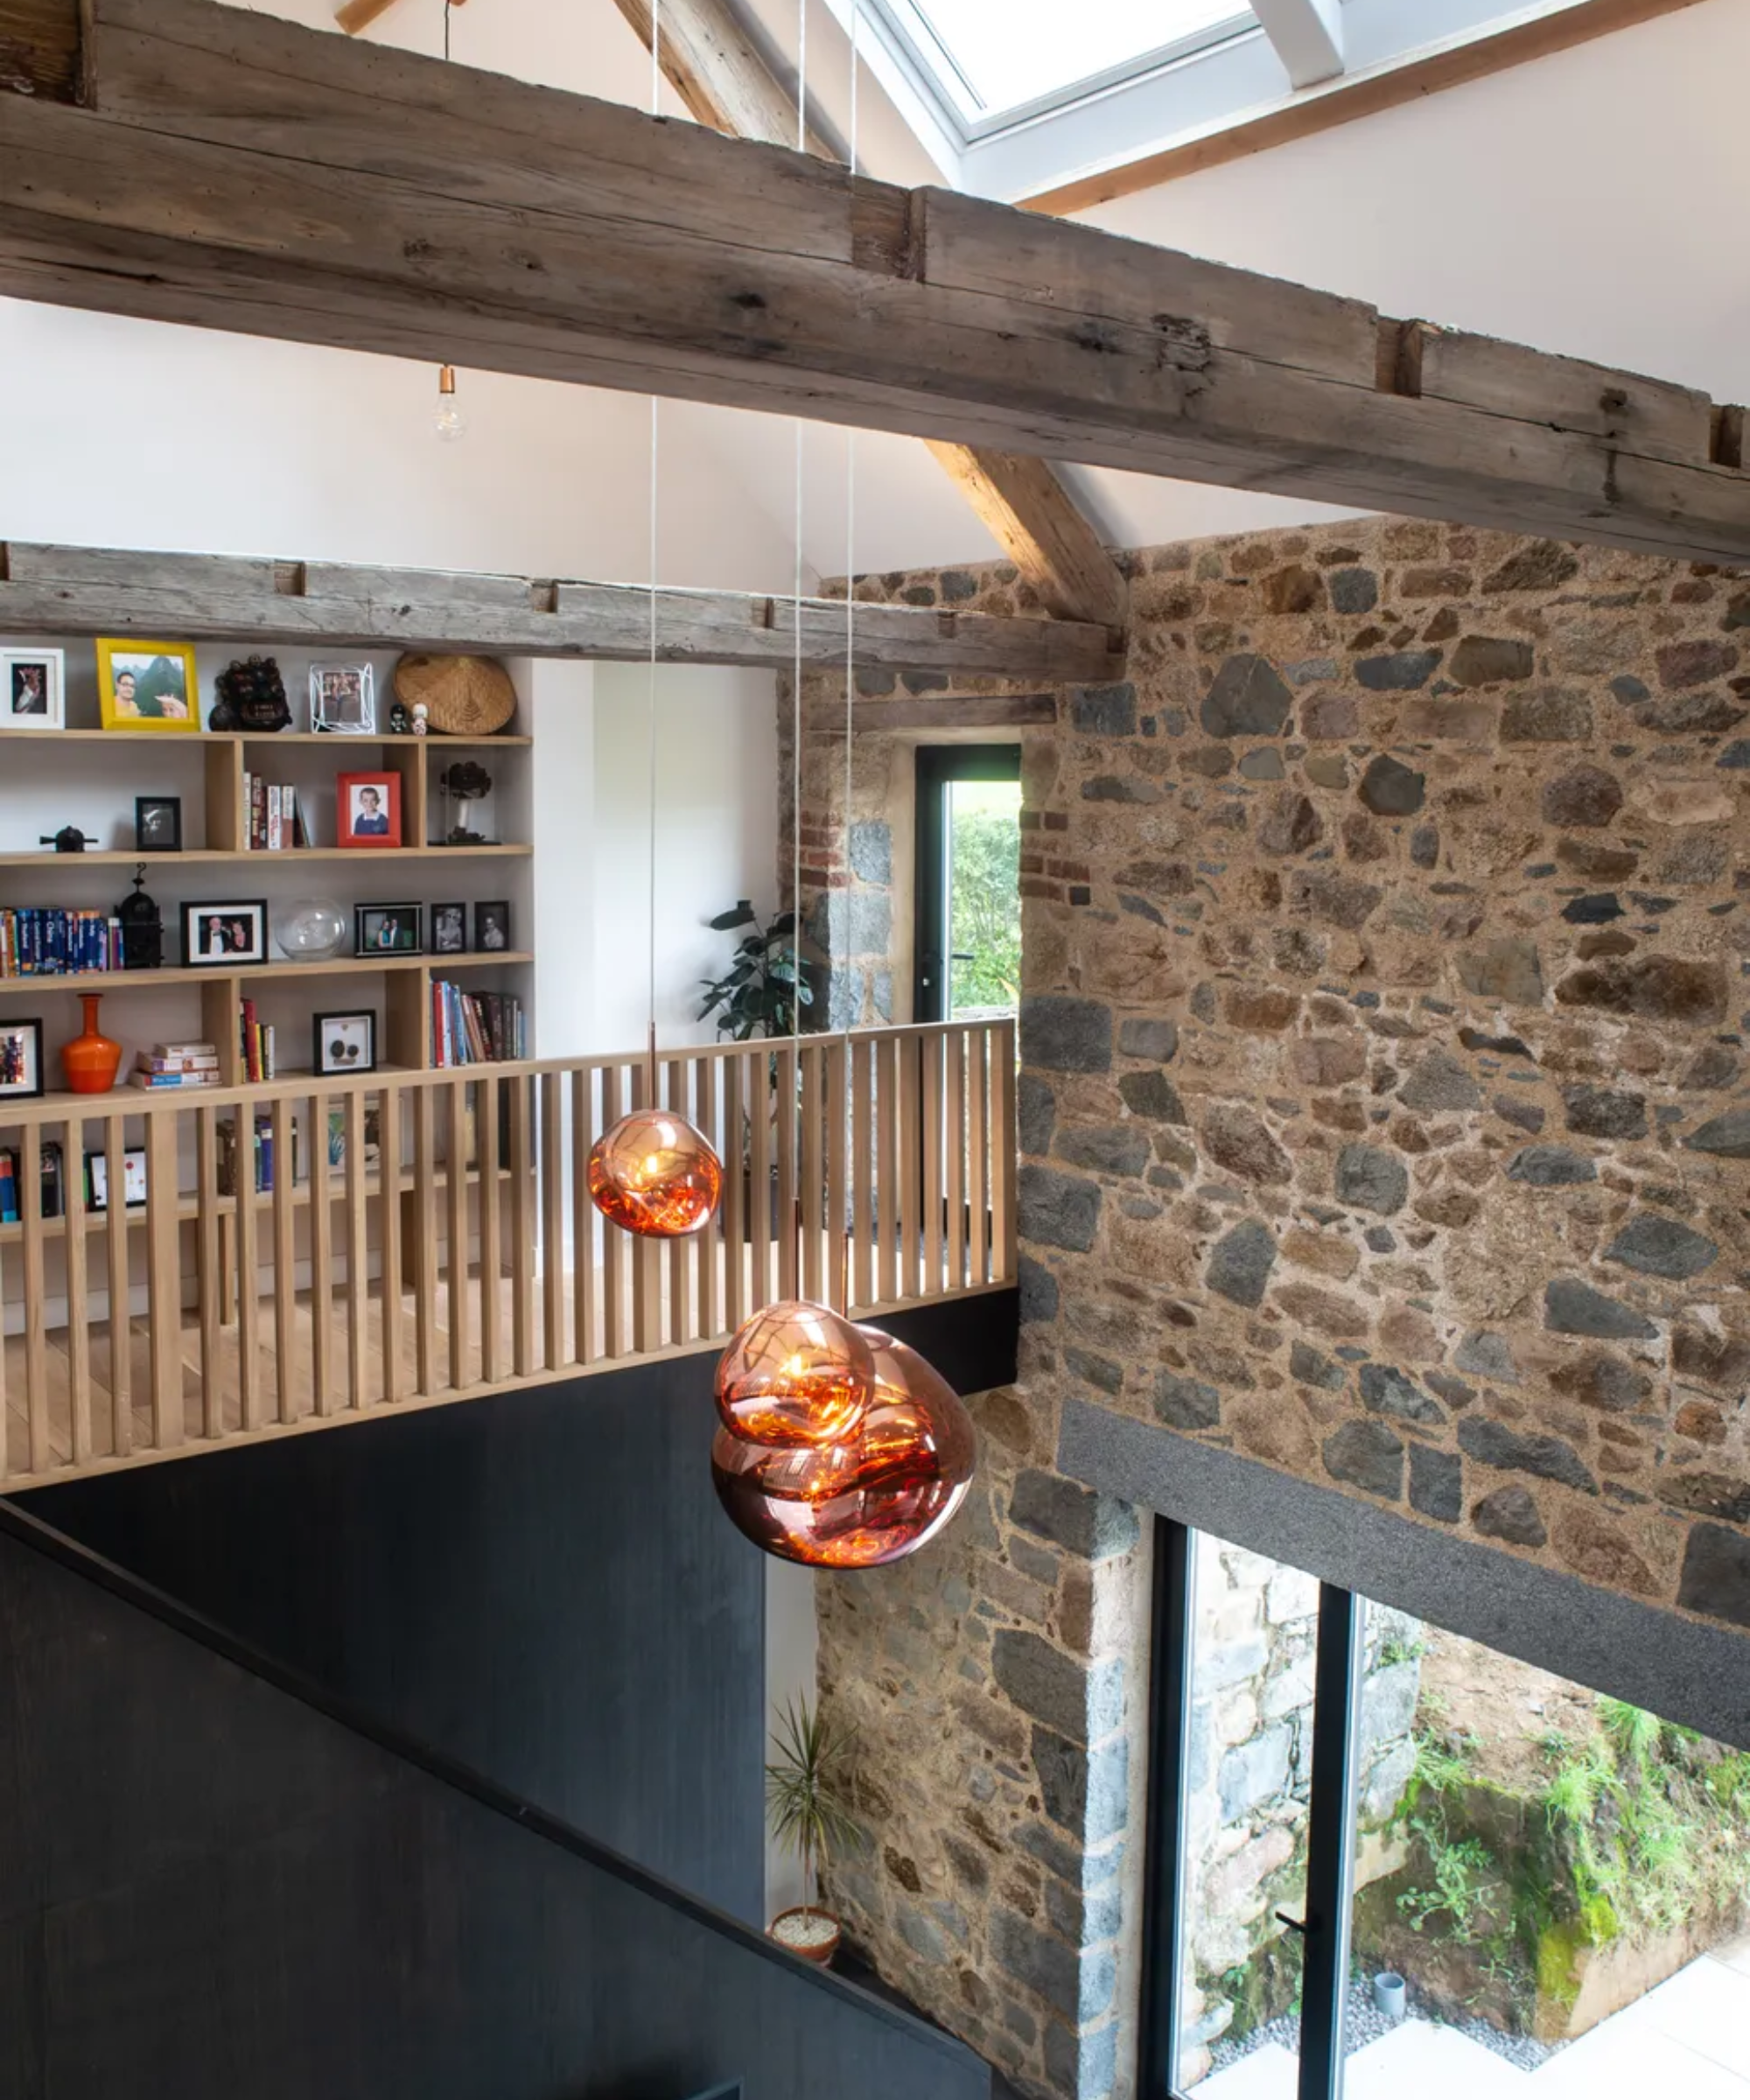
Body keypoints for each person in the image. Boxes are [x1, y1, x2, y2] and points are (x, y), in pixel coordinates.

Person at [112, 664, 188, 722]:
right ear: (117, 685)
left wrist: (173, 701)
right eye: (125, 684)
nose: (129, 689)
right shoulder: (109, 706)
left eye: (132, 686)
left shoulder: (134, 706)